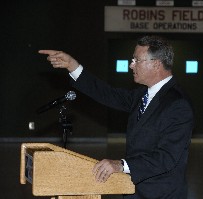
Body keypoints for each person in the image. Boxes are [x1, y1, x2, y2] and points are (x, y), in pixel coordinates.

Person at [39, 35, 194, 199]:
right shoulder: (143, 94)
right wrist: (72, 66)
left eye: (136, 60)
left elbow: (166, 157)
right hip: (134, 191)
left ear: (155, 64)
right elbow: (108, 94)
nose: (131, 65)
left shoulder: (178, 104)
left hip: (161, 194)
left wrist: (121, 165)